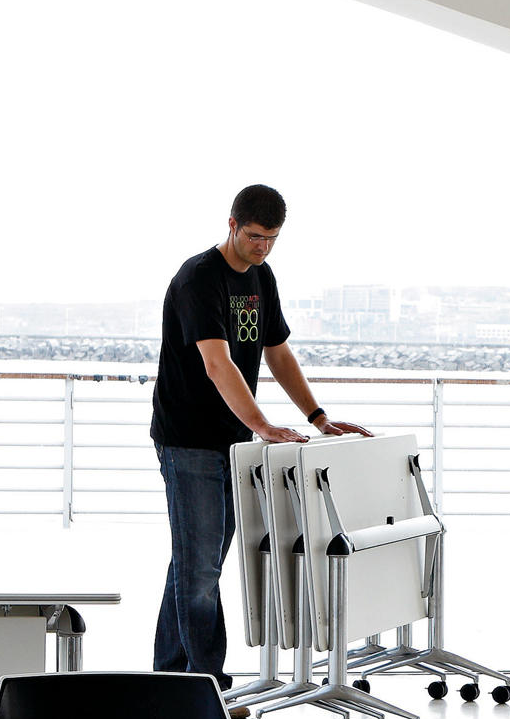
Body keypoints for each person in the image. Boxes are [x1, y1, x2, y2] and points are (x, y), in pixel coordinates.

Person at [148, 184, 366, 680]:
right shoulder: (198, 278)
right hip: (188, 439)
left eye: (271, 238)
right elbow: (217, 364)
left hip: (233, 442)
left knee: (195, 564)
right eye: (253, 236)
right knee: (200, 568)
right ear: (232, 224)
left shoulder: (261, 278)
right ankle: (209, 684)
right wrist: (263, 425)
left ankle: (169, 678)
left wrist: (317, 417)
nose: (262, 247)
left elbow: (278, 352)